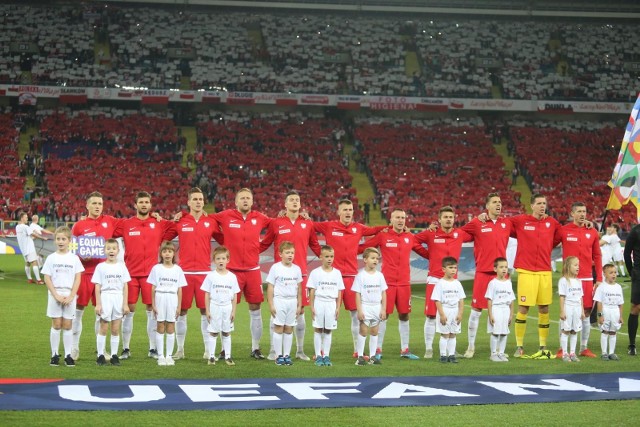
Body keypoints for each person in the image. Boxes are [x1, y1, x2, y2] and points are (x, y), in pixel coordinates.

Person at [314, 199, 386, 357]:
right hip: (332, 277)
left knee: (356, 315)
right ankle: (321, 352)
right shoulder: (328, 226)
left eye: (350, 209)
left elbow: (374, 230)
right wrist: (302, 216)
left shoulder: (358, 228)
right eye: (345, 209)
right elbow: (309, 226)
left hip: (352, 277)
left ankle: (357, 350)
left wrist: (389, 227)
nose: (348, 212)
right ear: (338, 212)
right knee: (328, 314)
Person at [358, 208, 428, 360]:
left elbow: (424, 252)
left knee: (404, 315)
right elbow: (365, 247)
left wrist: (439, 256)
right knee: (383, 315)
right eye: (397, 217)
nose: (401, 220)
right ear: (391, 220)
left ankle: (405, 349)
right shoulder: (383, 236)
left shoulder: (410, 236)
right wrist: (348, 250)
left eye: (403, 217)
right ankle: (377, 349)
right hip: (387, 284)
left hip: (404, 283)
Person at [112, 191, 175, 360]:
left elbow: (178, 225)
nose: (144, 205)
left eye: (147, 202)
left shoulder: (159, 223)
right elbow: (107, 227)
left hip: (151, 276)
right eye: (141, 202)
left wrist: (181, 214)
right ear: (136, 205)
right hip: (130, 275)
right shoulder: (126, 224)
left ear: (150, 205)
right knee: (128, 311)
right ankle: (125, 348)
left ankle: (153, 348)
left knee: (152, 311)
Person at [260, 190, 321, 361]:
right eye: (291, 200)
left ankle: (300, 350)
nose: (295, 202)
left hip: (300, 274)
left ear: (300, 204)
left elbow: (316, 246)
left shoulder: (308, 223)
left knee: (300, 313)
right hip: (280, 275)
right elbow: (265, 243)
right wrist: (249, 252)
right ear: (285, 204)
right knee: (276, 314)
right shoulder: (276, 222)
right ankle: (274, 350)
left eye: (297, 200)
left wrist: (329, 258)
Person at [164, 187, 223, 360]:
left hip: (205, 273)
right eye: (195, 199)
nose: (198, 202)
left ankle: (207, 350)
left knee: (206, 312)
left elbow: (224, 239)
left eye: (201, 199)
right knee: (181, 312)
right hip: (185, 273)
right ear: (188, 202)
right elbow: (164, 236)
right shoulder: (181, 221)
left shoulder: (210, 221)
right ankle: (180, 349)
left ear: (204, 202)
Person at [212, 188, 271, 360]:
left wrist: (258, 248)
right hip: (231, 272)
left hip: (252, 271)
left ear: (252, 202)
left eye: (248, 198)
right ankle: (224, 349)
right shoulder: (225, 215)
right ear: (236, 202)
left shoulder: (260, 218)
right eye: (242, 198)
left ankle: (255, 347)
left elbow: (277, 225)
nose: (245, 200)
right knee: (226, 309)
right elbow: (204, 219)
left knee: (256, 309)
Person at [509, 194, 562, 359]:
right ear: (531, 205)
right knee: (523, 308)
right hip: (526, 271)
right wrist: (484, 216)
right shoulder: (520, 221)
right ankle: (519, 346)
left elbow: (562, 235)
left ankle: (543, 346)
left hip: (544, 271)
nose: (542, 206)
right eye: (538, 203)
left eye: (544, 203)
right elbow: (501, 224)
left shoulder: (552, 223)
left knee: (544, 308)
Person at [70, 191, 121, 361]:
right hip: (85, 274)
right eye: (94, 203)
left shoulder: (110, 221)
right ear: (87, 205)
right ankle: (74, 348)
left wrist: (154, 216)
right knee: (78, 312)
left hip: (105, 276)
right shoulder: (79, 226)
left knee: (102, 314)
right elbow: (72, 249)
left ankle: (102, 350)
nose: (98, 206)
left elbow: (130, 224)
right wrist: (79, 255)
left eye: (100, 203)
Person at [415, 206, 472, 358]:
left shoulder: (459, 234)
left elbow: (476, 234)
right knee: (431, 315)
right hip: (434, 279)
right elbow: (413, 241)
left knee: (453, 315)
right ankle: (428, 348)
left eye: (451, 217)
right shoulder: (431, 233)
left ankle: (450, 351)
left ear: (454, 219)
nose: (448, 219)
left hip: (452, 282)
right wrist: (429, 255)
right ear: (439, 220)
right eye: (445, 217)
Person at [460, 193, 512, 358]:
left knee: (503, 310)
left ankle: (498, 350)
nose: (498, 204)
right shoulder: (477, 222)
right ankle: (470, 346)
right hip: (483, 273)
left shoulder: (507, 223)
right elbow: (460, 233)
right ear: (487, 206)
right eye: (495, 202)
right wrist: (475, 218)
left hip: (501, 276)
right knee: (476, 311)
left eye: (500, 202)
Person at [556, 202, 601, 358]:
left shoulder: (592, 231)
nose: (582, 214)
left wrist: (599, 277)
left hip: (587, 277)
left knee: (586, 313)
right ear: (572, 213)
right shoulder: (563, 230)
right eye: (579, 211)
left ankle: (583, 347)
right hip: (569, 278)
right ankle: (562, 349)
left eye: (584, 211)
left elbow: (597, 255)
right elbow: (549, 243)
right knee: (566, 312)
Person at [41, 226, 84, 367]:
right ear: (55, 240)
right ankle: (54, 355)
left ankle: (67, 355)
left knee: (67, 325)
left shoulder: (74, 258)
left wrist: (72, 296)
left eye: (63, 239)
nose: (61, 241)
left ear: (69, 240)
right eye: (58, 239)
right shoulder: (51, 258)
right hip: (55, 294)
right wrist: (55, 295)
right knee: (56, 324)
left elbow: (78, 278)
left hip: (69, 295)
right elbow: (47, 278)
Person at [92, 238, 131, 366]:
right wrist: (98, 303)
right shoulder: (100, 267)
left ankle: (114, 355)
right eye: (108, 248)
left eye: (114, 249)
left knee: (115, 328)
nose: (111, 251)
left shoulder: (122, 267)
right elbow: (97, 286)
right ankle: (100, 355)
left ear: (118, 250)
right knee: (103, 327)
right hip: (106, 297)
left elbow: (125, 286)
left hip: (118, 298)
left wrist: (125, 304)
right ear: (104, 250)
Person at [149, 241, 187, 366]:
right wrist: (153, 304)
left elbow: (180, 289)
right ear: (161, 254)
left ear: (174, 254)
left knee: (170, 327)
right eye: (164, 251)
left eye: (170, 251)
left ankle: (169, 356)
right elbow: (153, 287)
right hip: (160, 297)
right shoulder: (156, 268)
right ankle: (160, 356)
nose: (167, 254)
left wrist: (179, 306)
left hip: (172, 298)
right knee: (160, 326)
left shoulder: (178, 269)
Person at [201, 246, 240, 367]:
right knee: (213, 332)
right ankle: (211, 356)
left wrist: (233, 311)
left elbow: (235, 295)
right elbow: (207, 294)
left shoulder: (232, 277)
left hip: (227, 307)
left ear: (228, 260)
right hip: (215, 306)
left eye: (223, 258)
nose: (221, 261)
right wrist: (207, 310)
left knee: (226, 332)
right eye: (218, 258)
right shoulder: (211, 276)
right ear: (214, 260)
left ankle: (228, 356)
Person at [266, 241, 303, 366]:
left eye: (292, 253)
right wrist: (271, 304)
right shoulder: (275, 268)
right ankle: (278, 355)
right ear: (280, 254)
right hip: (279, 300)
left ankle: (286, 355)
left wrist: (299, 305)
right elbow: (270, 287)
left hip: (292, 301)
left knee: (289, 328)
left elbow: (299, 288)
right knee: (279, 327)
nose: (290, 255)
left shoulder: (297, 269)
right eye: (287, 252)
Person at [307, 245, 344, 367]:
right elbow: (312, 290)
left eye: (332, 256)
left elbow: (339, 291)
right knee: (318, 328)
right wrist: (312, 306)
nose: (329, 259)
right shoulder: (315, 272)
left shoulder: (337, 273)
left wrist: (338, 307)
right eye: (327, 256)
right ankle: (318, 355)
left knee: (328, 330)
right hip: (319, 302)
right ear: (321, 257)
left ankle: (326, 355)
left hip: (331, 303)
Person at [353, 248, 387, 366]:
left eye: (377, 259)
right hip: (365, 306)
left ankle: (373, 356)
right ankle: (360, 356)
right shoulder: (360, 275)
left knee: (374, 331)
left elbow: (383, 293)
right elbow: (357, 293)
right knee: (363, 331)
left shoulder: (380, 276)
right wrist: (359, 310)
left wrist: (383, 309)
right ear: (365, 260)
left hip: (376, 307)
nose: (375, 261)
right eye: (373, 258)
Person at [431, 257, 466, 363]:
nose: (453, 270)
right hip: (445, 310)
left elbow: (461, 300)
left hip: (455, 311)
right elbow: (437, 300)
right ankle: (443, 355)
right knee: (445, 334)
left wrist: (460, 313)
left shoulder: (457, 283)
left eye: (455, 268)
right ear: (443, 269)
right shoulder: (440, 283)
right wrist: (442, 314)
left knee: (453, 333)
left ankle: (451, 355)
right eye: (450, 267)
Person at [485, 257, 514, 362]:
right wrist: (490, 315)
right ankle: (493, 354)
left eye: (505, 267)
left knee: (504, 332)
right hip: (496, 309)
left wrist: (511, 314)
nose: (504, 269)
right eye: (501, 267)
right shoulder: (493, 283)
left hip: (505, 309)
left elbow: (511, 300)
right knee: (495, 332)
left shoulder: (508, 283)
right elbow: (489, 300)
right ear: (495, 269)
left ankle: (501, 353)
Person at [594, 264, 625, 361]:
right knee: (605, 331)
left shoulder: (618, 287)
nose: (614, 275)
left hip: (615, 310)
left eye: (615, 272)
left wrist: (620, 316)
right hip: (606, 309)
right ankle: (604, 353)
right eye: (611, 272)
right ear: (605, 274)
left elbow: (620, 303)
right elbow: (599, 302)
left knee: (613, 332)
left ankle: (611, 352)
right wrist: (600, 315)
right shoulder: (602, 287)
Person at [558, 256, 584, 363]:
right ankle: (565, 353)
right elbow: (562, 297)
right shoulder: (563, 280)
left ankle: (572, 353)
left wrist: (582, 310)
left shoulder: (579, 281)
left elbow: (581, 297)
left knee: (574, 331)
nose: (578, 267)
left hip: (577, 308)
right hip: (568, 307)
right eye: (575, 265)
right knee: (566, 330)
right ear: (569, 267)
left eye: (578, 265)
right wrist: (562, 310)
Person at [624, 223, 640, 356]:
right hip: (639, 274)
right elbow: (626, 253)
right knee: (636, 307)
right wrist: (632, 272)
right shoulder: (635, 231)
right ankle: (632, 344)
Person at [16, 211, 45, 284]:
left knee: (27, 263)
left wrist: (31, 237)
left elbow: (26, 236)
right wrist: (42, 238)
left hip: (23, 248)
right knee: (34, 262)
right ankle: (39, 280)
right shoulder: (25, 227)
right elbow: (33, 234)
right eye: (26, 217)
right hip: (29, 248)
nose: (27, 219)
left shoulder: (17, 227)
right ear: (22, 218)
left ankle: (29, 279)